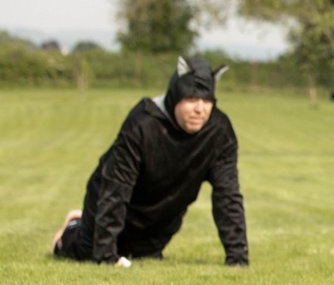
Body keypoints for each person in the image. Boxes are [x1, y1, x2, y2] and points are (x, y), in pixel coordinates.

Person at [52, 55, 249, 267]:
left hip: (160, 216)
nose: (200, 109)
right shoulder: (143, 123)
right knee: (88, 253)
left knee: (143, 256)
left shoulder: (219, 132)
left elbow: (227, 196)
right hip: (108, 200)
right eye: (191, 100)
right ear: (176, 95)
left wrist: (237, 257)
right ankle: (73, 226)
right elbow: (115, 188)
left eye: (206, 100)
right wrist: (106, 256)